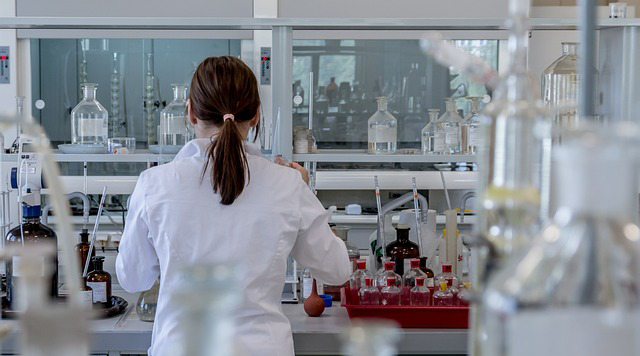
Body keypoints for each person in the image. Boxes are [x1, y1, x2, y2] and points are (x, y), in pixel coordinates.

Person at [116, 56, 351, 356]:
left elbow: (133, 278)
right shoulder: (288, 185)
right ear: (255, 115)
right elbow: (337, 270)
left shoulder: (154, 184)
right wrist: (306, 192)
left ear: (190, 113)